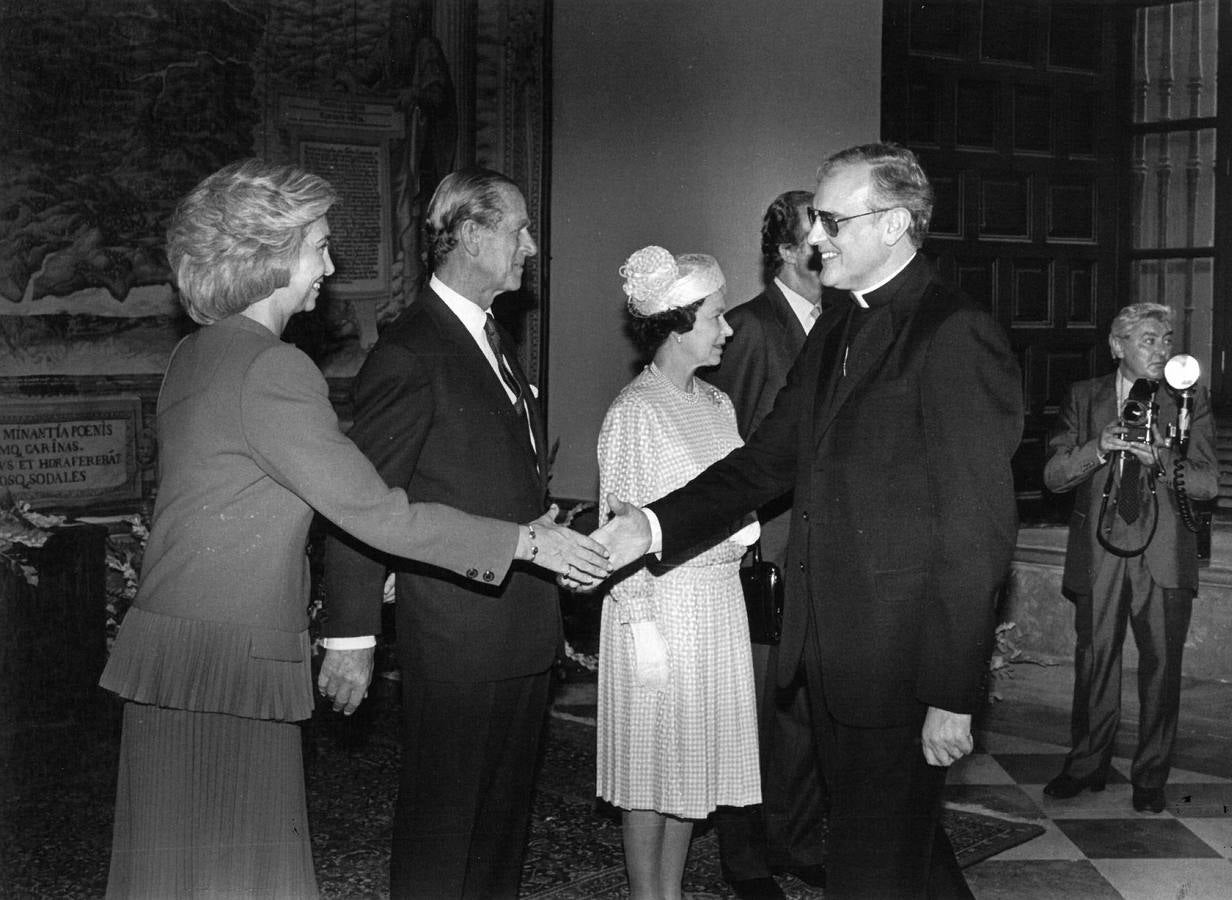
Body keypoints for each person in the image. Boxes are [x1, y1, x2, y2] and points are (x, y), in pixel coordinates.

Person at [97, 159, 609, 899]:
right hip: (234, 652)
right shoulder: (273, 369)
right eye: (318, 248)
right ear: (269, 257)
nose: (329, 268)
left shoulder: (193, 355)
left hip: (173, 645)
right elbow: (374, 511)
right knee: (244, 869)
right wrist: (524, 541)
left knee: (177, 869)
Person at [593, 142, 1023, 899]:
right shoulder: (838, 326)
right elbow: (764, 463)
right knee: (898, 853)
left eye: (831, 219)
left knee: (871, 869)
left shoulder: (953, 332)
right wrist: (651, 527)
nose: (816, 236)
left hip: (901, 665)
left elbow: (976, 530)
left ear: (892, 225)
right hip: (832, 654)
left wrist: (953, 690)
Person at [320, 167, 572, 899]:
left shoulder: (490, 338)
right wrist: (352, 636)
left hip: (520, 625)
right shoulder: (411, 350)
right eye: (519, 229)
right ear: (470, 235)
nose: (530, 245)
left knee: (500, 832)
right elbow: (361, 502)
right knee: (444, 831)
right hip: (459, 637)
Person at [597, 246, 761, 900]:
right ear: (674, 324)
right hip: (660, 612)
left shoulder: (718, 403)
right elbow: (622, 531)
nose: (727, 329)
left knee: (688, 776)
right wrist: (641, 636)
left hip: (715, 605)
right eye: (716, 317)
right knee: (650, 772)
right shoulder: (636, 411)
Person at [1041, 303, 1218, 814]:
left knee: (1162, 668)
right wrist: (1099, 447)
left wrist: (1162, 457)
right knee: (1095, 661)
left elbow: (1207, 484)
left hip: (1163, 554)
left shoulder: (1190, 398)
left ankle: (1150, 776)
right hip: (1100, 550)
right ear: (1117, 346)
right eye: (1148, 340)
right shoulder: (1085, 396)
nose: (1162, 349)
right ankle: (1087, 764)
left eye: (1166, 339)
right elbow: (1053, 475)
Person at [705, 191, 828, 900]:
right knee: (749, 711)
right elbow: (735, 445)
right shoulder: (749, 330)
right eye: (818, 239)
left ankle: (798, 838)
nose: (829, 252)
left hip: (820, 547)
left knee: (803, 710)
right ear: (785, 252)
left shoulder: (842, 322)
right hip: (763, 555)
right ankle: (746, 859)